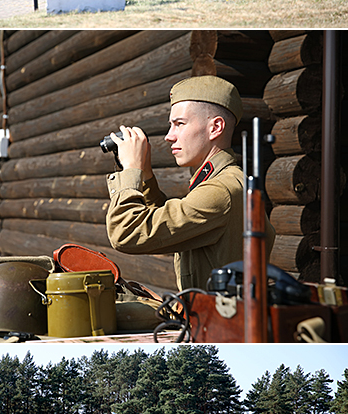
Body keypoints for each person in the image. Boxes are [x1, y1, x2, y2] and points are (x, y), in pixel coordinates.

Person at [105, 76, 274, 294]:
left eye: (179, 124)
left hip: (219, 325)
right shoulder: (221, 182)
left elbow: (126, 234)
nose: (169, 136)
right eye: (170, 125)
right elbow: (167, 223)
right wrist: (145, 176)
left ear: (215, 127)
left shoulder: (220, 190)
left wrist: (131, 171)